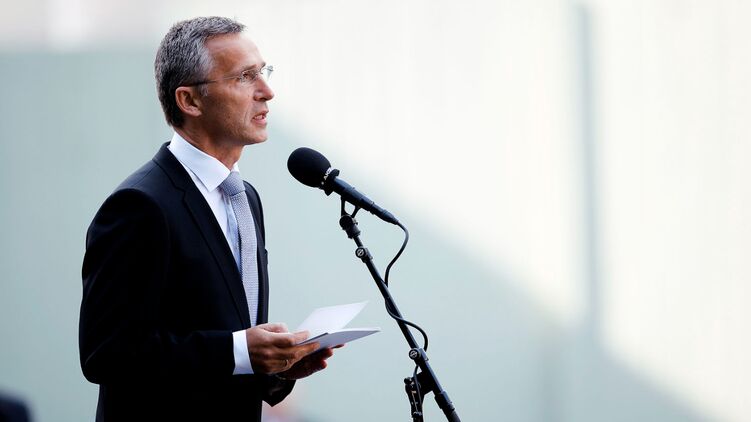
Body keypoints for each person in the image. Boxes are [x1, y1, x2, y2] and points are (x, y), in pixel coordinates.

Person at [79, 16, 335, 421]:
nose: (267, 91)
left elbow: (226, 339)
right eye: (245, 77)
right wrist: (240, 351)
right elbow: (106, 353)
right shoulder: (139, 206)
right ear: (190, 101)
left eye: (263, 72)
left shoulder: (245, 197)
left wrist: (276, 368)